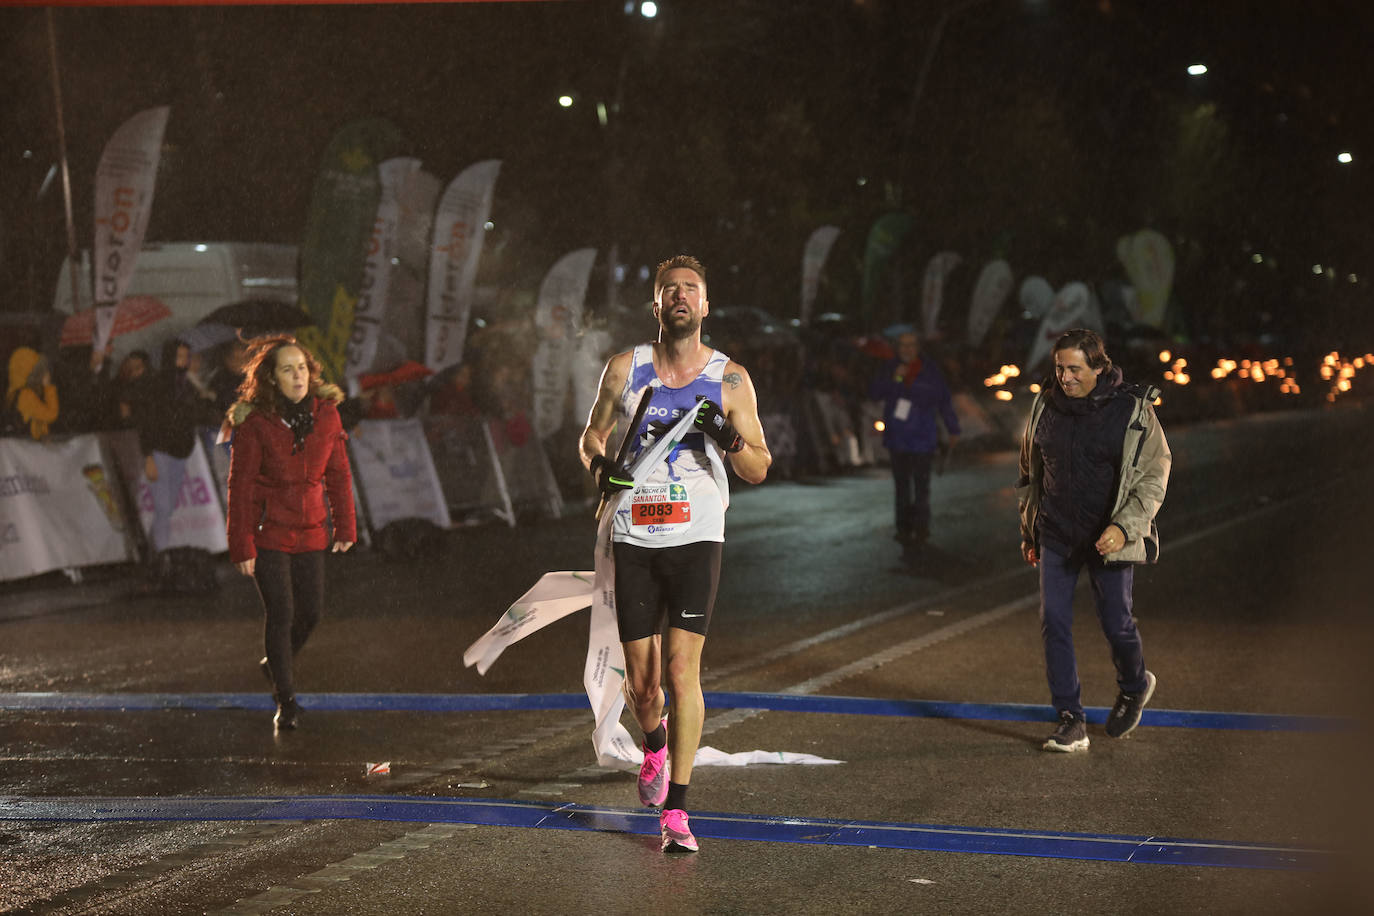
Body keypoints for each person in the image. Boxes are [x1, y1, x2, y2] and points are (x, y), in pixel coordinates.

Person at [579, 255, 771, 854]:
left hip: (696, 537)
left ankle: (679, 812)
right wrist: (601, 470)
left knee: (683, 671)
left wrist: (729, 437)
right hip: (635, 536)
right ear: (655, 306)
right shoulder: (624, 368)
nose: (681, 296)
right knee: (643, 686)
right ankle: (654, 743)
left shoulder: (730, 378)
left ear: (706, 306)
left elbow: (759, 466)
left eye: (692, 289)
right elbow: (591, 437)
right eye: (670, 290)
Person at [1016, 328, 1170, 753]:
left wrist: (1124, 527)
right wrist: (1031, 531)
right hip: (1057, 534)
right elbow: (1030, 473)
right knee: (1054, 622)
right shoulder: (1045, 404)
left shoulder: (1131, 409)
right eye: (1060, 368)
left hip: (1109, 538)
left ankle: (1134, 684)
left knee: (1116, 623)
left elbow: (1154, 477)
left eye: (1075, 369)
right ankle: (1071, 718)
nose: (1065, 378)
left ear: (1099, 367)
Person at [222, 335, 356, 731]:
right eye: (287, 369)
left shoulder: (327, 415)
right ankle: (287, 700)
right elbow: (240, 486)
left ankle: (274, 664)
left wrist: (346, 524)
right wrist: (240, 544)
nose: (297, 375)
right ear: (271, 378)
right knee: (281, 612)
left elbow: (339, 473)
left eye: (302, 367)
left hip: (311, 529)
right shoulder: (256, 423)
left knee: (311, 613)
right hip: (268, 532)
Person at [132, 340, 220, 588]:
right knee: (162, 506)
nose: (183, 361)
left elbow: (190, 414)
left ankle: (154, 557)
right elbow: (146, 420)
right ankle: (158, 558)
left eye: (185, 356)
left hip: (180, 450)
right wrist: (148, 454)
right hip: (162, 451)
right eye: (179, 356)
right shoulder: (158, 385)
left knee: (167, 507)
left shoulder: (186, 386)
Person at [868, 331, 960, 559]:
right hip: (898, 438)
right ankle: (903, 529)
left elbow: (944, 400)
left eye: (911, 345)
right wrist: (896, 379)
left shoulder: (930, 370)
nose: (906, 350)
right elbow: (875, 393)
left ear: (918, 347)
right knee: (901, 488)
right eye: (902, 345)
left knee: (921, 488)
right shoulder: (890, 368)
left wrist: (953, 428)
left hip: (922, 438)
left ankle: (921, 529)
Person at [4, 346, 59, 440]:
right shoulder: (25, 395)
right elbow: (51, 414)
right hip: (28, 448)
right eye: (36, 370)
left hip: (19, 447)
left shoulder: (13, 392)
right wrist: (48, 387)